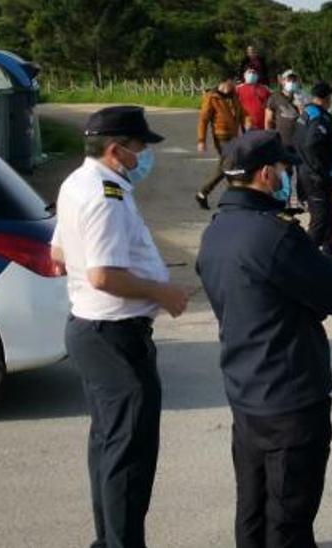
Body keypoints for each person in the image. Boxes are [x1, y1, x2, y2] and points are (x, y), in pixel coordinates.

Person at [197, 130, 332, 548]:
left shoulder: (216, 231)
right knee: (289, 521)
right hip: (290, 399)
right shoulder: (276, 234)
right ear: (267, 174)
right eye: (286, 170)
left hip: (245, 390)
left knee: (252, 511)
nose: (290, 178)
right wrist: (320, 257)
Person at [50, 106, 191, 548]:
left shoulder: (77, 182)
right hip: (114, 335)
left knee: (109, 447)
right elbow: (103, 276)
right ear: (116, 150)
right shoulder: (105, 194)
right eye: (139, 148)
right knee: (129, 457)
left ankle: (108, 540)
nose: (144, 156)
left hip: (93, 331)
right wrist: (163, 292)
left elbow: (58, 255)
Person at [294, 82, 332, 258]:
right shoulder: (318, 117)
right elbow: (311, 144)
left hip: (307, 172)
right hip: (316, 177)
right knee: (320, 220)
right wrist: (323, 170)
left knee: (329, 218)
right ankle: (304, 259)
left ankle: (331, 256)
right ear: (326, 98)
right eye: (331, 97)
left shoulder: (307, 112)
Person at [195, 75, 245, 210]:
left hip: (234, 137)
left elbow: (241, 114)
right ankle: (236, 199)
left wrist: (246, 131)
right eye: (233, 82)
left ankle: (203, 194)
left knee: (224, 167)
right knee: (229, 165)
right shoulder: (211, 97)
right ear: (226, 81)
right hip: (221, 137)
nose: (235, 85)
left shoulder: (234, 95)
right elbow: (203, 120)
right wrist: (201, 140)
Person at [266, 69, 305, 148]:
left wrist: (301, 106)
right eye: (289, 80)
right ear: (283, 81)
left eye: (294, 80)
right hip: (281, 142)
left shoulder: (303, 97)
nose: (292, 82)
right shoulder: (274, 97)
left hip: (299, 142)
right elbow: (268, 121)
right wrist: (269, 139)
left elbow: (306, 119)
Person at [237, 68, 271, 133]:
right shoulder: (238, 89)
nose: (252, 74)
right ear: (244, 75)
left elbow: (272, 102)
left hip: (263, 124)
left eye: (254, 72)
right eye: (249, 72)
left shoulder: (264, 88)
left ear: (257, 76)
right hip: (247, 124)